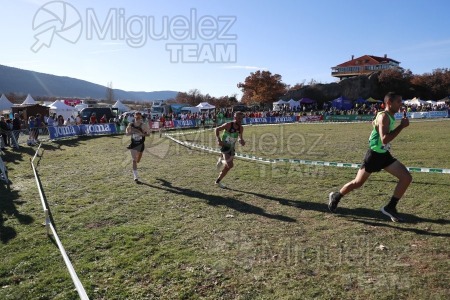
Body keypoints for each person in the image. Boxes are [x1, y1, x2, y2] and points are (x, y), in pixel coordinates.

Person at [328, 92, 412, 222]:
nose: (401, 104)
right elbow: (384, 139)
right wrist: (401, 126)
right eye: (398, 102)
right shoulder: (384, 116)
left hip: (383, 154)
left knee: (406, 177)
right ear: (389, 102)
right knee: (358, 183)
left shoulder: (388, 115)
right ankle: (336, 197)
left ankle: (390, 207)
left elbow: (379, 131)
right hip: (374, 155)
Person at [214, 111, 245, 188]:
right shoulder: (228, 125)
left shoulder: (241, 128)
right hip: (224, 146)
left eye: (241, 118)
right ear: (234, 118)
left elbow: (240, 138)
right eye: (238, 118)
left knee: (228, 167)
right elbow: (217, 129)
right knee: (230, 164)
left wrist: (241, 141)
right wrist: (218, 139)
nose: (240, 120)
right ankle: (221, 161)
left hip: (231, 147)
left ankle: (218, 181)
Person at [125, 112, 150, 182]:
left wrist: (142, 134)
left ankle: (137, 161)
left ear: (141, 118)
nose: (137, 118)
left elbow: (148, 134)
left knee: (138, 160)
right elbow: (127, 131)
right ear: (134, 117)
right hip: (133, 144)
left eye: (139, 117)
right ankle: (135, 176)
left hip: (141, 144)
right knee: (134, 160)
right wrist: (128, 132)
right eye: (136, 117)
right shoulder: (131, 124)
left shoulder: (143, 125)